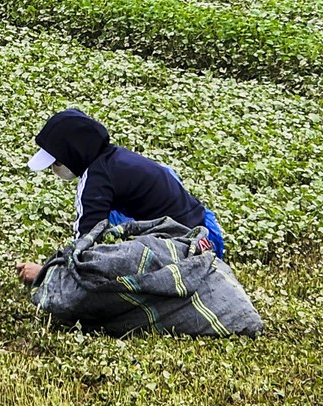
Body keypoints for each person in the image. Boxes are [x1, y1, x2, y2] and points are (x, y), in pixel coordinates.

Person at [16, 107, 224, 284]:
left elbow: (84, 247)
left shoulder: (95, 181)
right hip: (208, 237)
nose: (55, 169)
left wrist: (45, 273)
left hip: (182, 250)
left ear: (74, 154)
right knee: (113, 220)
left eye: (57, 162)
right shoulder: (119, 158)